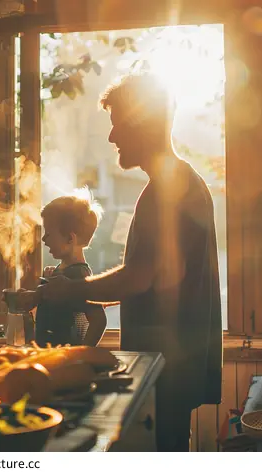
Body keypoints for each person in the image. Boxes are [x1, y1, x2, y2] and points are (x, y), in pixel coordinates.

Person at [15, 74, 223, 451]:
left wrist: (66, 292)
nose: (111, 138)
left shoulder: (166, 190)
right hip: (175, 362)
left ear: (141, 125)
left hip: (169, 363)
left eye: (117, 127)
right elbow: (150, 280)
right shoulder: (176, 182)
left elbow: (138, 279)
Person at [34, 194, 107, 347]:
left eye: (48, 234)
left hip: (65, 359)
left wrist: (82, 353)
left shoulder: (79, 275)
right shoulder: (61, 271)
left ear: (70, 238)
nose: (44, 240)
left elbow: (99, 320)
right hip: (52, 357)